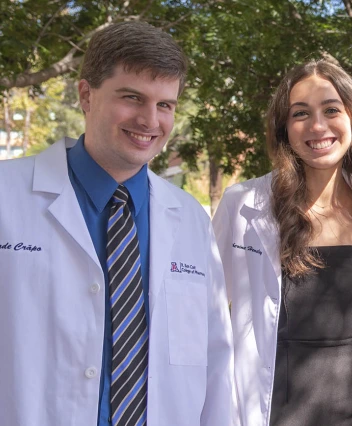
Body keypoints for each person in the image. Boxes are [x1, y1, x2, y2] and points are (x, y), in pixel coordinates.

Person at [0, 21, 235, 426]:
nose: (150, 121)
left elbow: (215, 360)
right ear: (86, 95)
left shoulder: (191, 217)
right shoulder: (7, 195)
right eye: (132, 98)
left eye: (166, 105)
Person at [212, 60, 352, 426]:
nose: (317, 126)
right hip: (273, 413)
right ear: (284, 128)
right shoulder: (243, 204)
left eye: (331, 110)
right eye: (300, 114)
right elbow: (207, 314)